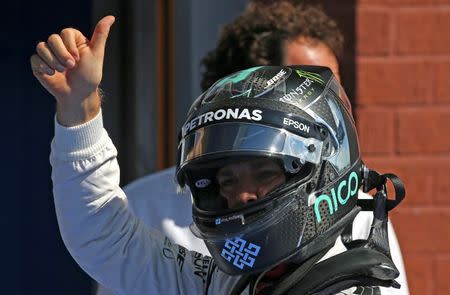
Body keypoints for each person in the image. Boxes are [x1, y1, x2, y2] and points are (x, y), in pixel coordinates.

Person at [31, 12, 409, 294]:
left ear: (317, 171)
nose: (242, 195)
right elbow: (104, 237)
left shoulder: (357, 283)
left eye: (264, 173)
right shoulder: (224, 280)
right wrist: (79, 108)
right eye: (227, 180)